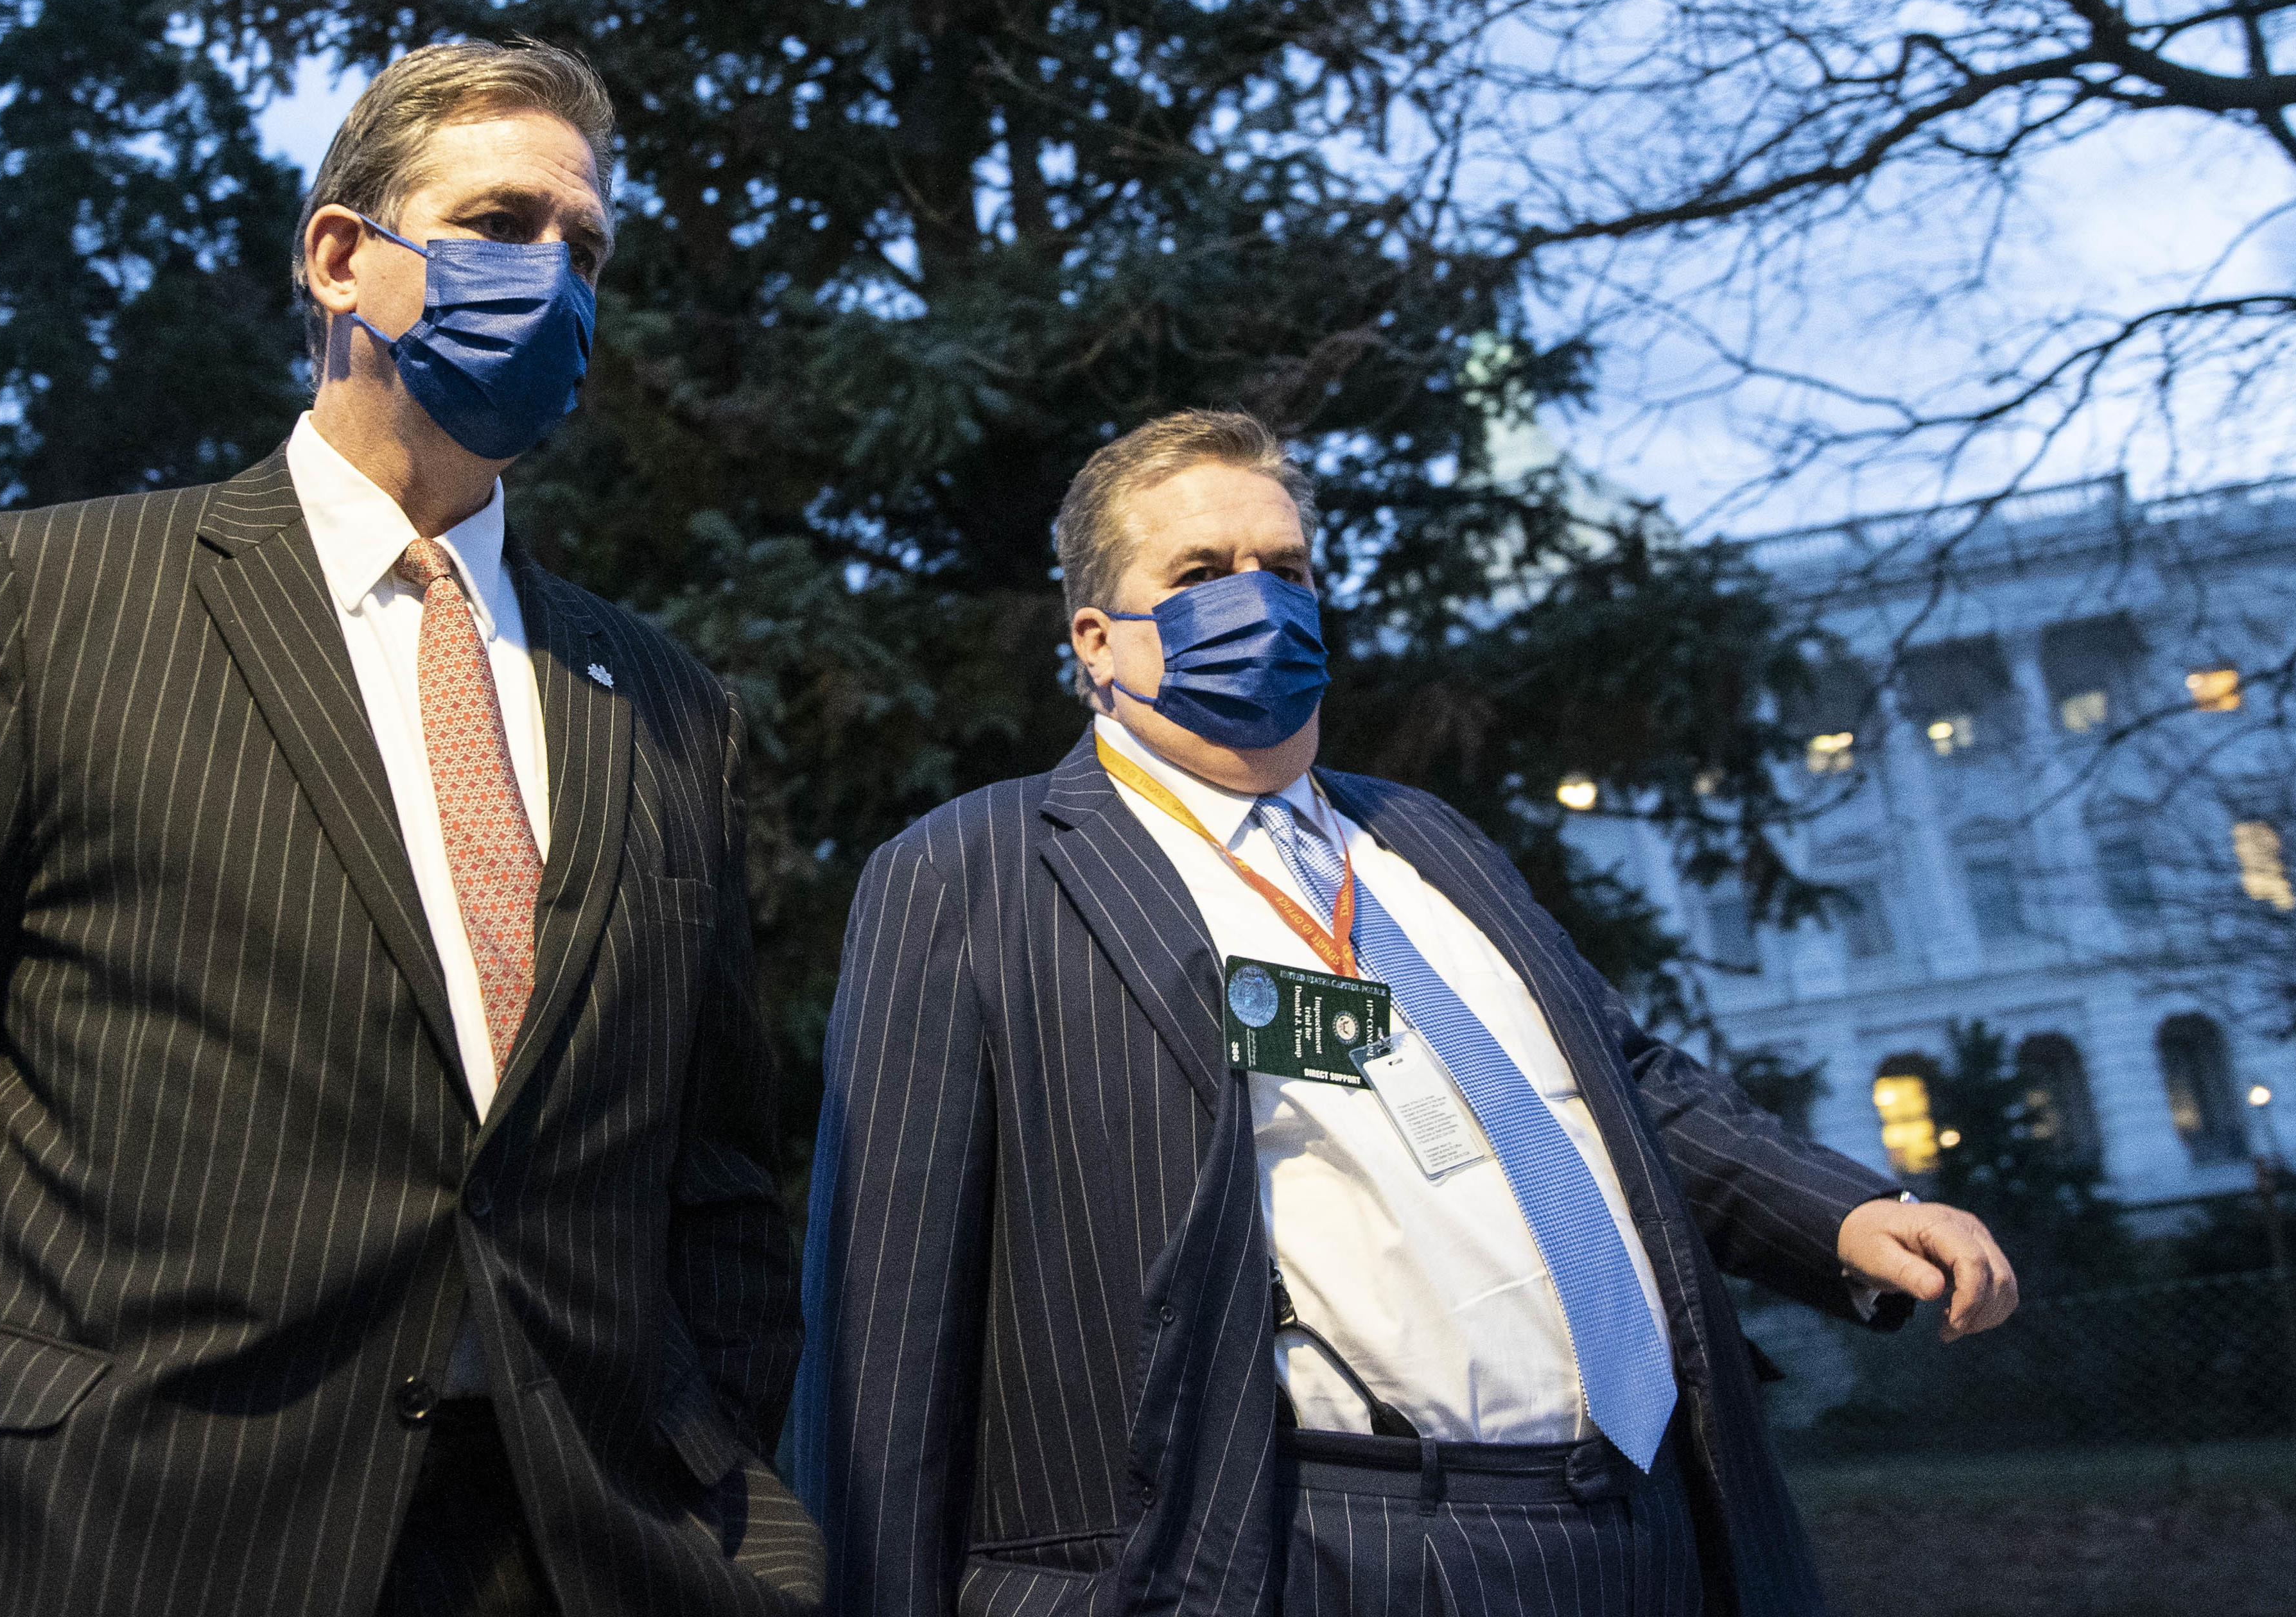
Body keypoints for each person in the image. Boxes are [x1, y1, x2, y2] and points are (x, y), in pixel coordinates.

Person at [0, 41, 816, 1617]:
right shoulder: (48, 597)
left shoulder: (666, 702)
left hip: (565, 1556)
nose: (554, 280)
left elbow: (715, 1185)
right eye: (504, 222)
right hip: (94, 1542)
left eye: (586, 253)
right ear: (338, 259)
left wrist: (733, 1515)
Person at [800, 408, 2016, 1617]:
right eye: (1202, 574)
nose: (1259, 603)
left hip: (1646, 1527)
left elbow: (1617, 1081)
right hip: (1323, 1551)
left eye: (1285, 570)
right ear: (1098, 641)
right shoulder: (976, 872)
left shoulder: (1425, 840)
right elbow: (889, 1319)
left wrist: (1841, 1212)